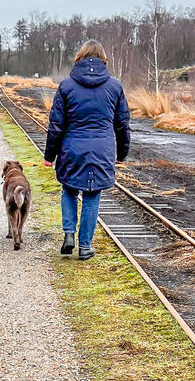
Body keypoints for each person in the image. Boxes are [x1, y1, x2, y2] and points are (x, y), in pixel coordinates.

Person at [43, 40, 130, 260]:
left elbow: (56, 125)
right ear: (103, 59)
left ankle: (69, 234)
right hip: (102, 149)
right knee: (92, 195)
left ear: (79, 58)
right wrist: (122, 154)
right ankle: (84, 246)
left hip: (72, 148)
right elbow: (122, 124)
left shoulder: (66, 86)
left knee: (69, 189)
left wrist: (49, 155)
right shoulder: (114, 86)